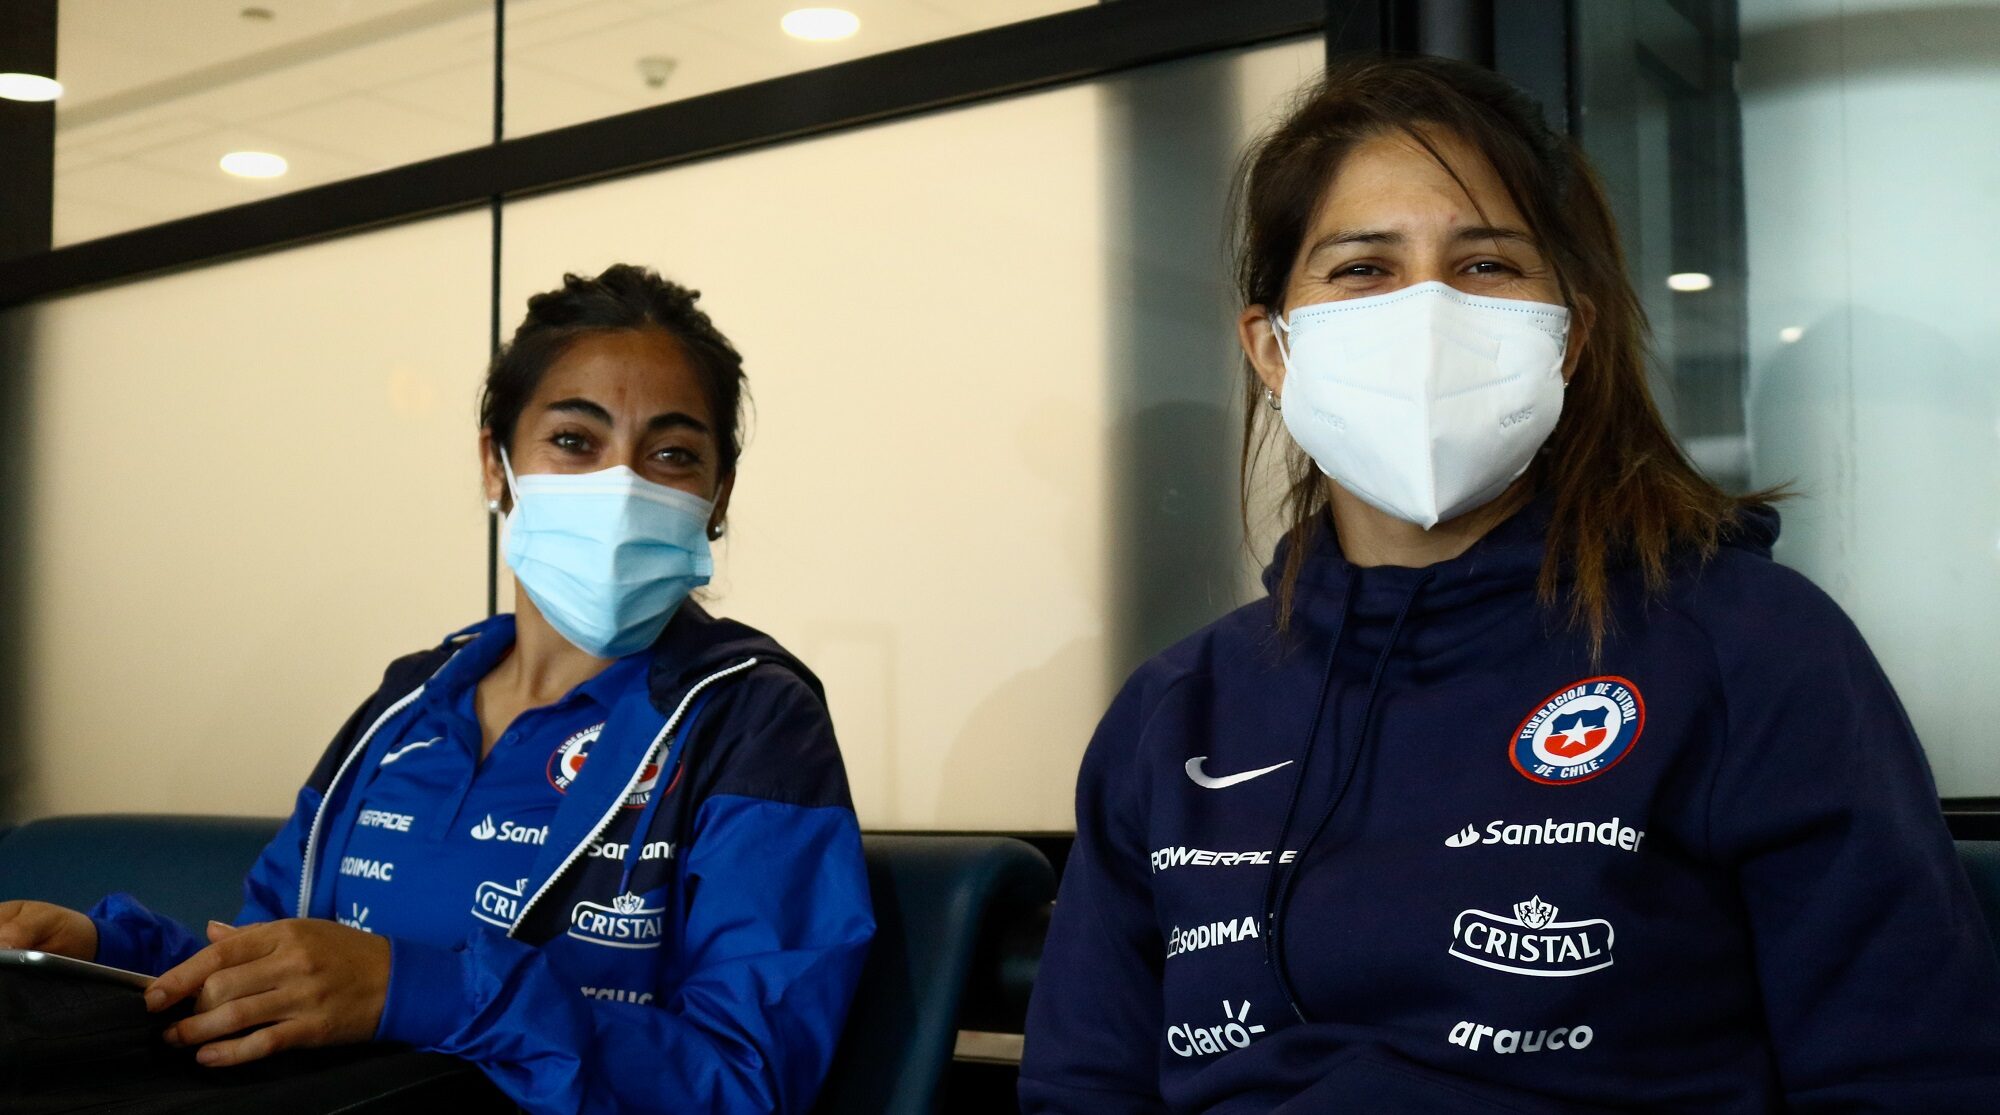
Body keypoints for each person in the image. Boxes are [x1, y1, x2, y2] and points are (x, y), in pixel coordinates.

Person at [1019, 56, 2000, 1114]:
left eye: (1485, 266)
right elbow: (1082, 1089)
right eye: (1360, 269)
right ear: (1271, 348)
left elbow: (1907, 1075)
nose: (1427, 313)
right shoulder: (1172, 713)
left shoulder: (1745, 647)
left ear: (1566, 336)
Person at [0, 264, 875, 1114]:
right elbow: (277, 968)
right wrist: (104, 956)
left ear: (717, 496)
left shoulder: (752, 719)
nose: (621, 486)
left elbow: (747, 1079)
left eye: (673, 453)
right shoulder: (409, 705)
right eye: (574, 441)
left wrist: (412, 989)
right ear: (497, 467)